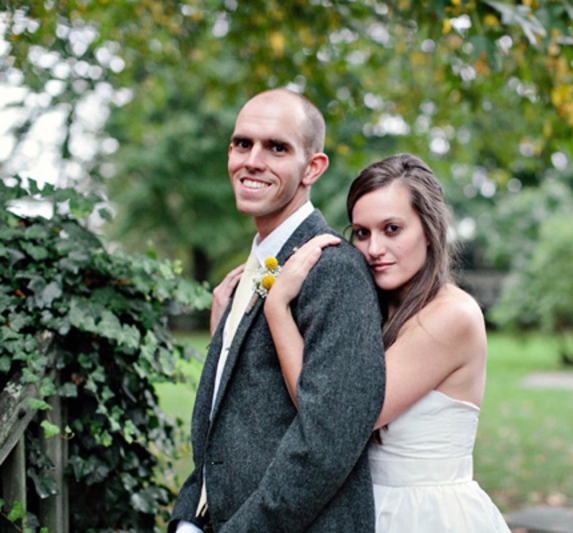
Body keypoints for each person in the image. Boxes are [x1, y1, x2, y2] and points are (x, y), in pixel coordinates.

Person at [168, 89, 386, 533]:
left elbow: (326, 444)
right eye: (242, 143)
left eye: (277, 147)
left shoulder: (333, 269)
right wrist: (188, 519)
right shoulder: (251, 270)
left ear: (313, 167)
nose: (252, 160)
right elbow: (223, 423)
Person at [264, 153, 512, 532]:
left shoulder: (452, 317)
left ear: (430, 229)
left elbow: (334, 420)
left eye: (392, 229)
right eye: (362, 233)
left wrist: (277, 309)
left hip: (425, 516)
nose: (373, 248)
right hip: (364, 507)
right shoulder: (376, 313)